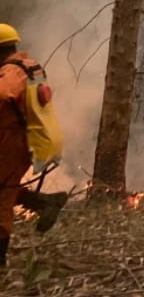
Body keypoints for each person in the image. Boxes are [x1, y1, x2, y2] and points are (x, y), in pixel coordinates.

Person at [0, 23, 69, 267]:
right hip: (18, 142)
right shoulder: (29, 67)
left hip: (11, 146)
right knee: (4, 191)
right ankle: (44, 202)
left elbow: (5, 95)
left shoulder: (10, 73)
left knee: (1, 201)